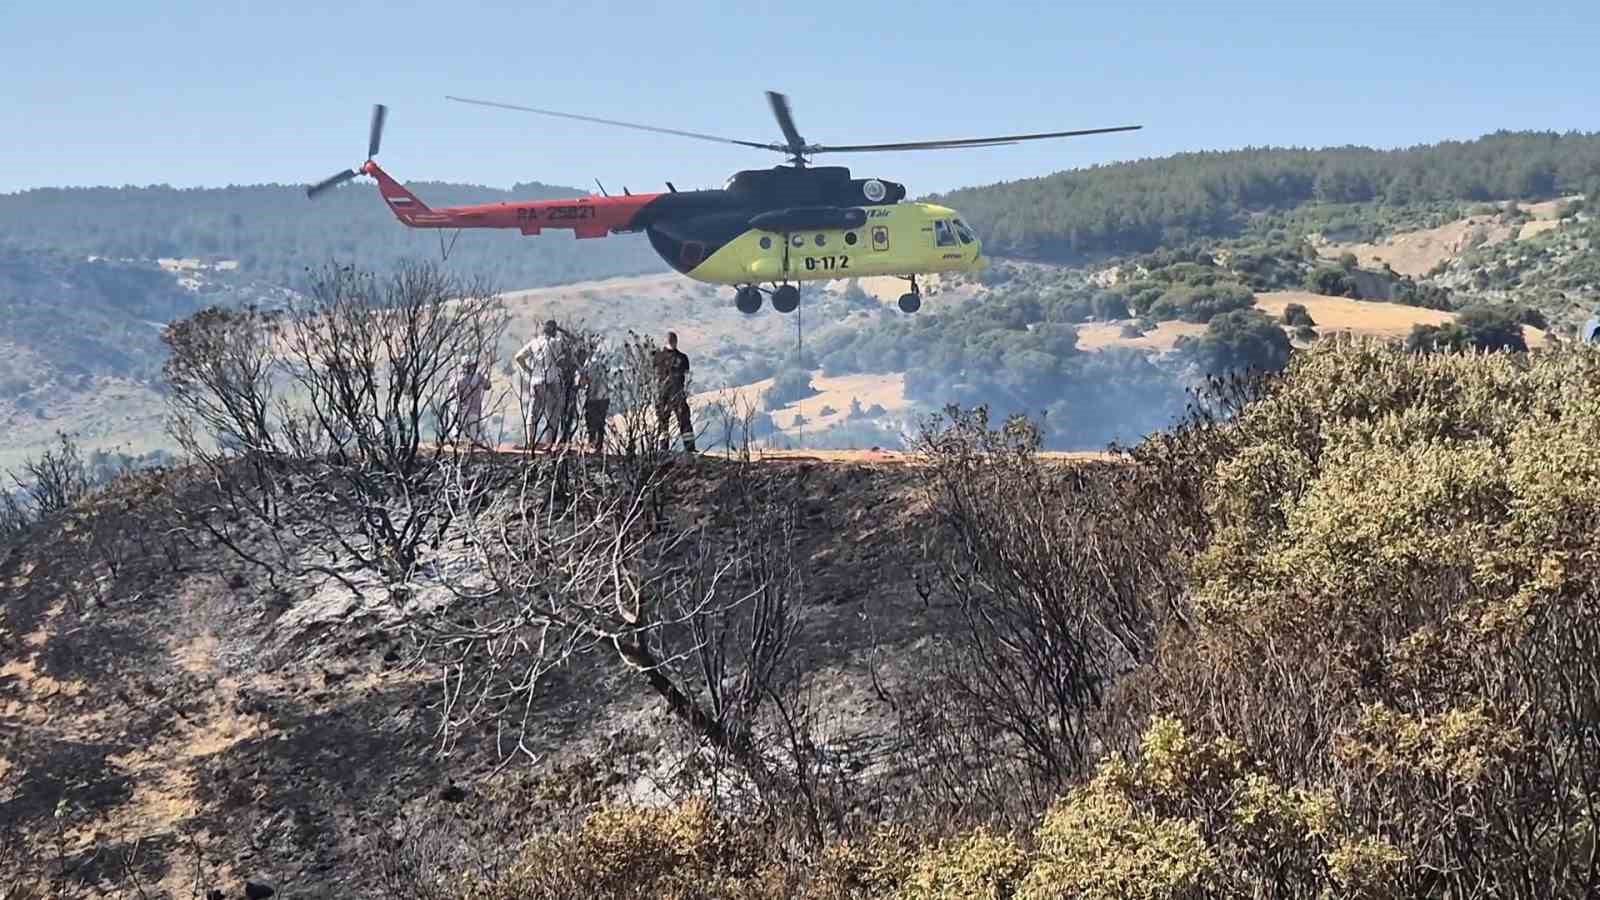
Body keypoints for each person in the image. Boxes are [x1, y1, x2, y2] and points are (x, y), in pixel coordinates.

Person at [514, 320, 566, 447]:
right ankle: (549, 443)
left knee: (532, 413)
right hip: (551, 381)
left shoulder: (535, 343)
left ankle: (530, 442)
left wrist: (529, 370)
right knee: (552, 414)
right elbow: (573, 342)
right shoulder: (556, 343)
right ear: (554, 331)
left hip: (536, 381)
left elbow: (518, 357)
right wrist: (562, 330)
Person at [652, 331, 696, 453]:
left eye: (673, 340)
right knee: (663, 421)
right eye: (670, 340)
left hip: (677, 393)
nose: (672, 343)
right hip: (663, 393)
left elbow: (687, 375)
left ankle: (689, 448)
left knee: (684, 419)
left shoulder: (682, 358)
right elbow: (654, 375)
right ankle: (663, 448)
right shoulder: (658, 356)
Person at [577, 342, 611, 454]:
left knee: (591, 420)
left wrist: (581, 385)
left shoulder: (591, 363)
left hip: (595, 397)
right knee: (599, 422)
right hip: (604, 396)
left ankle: (593, 444)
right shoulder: (601, 361)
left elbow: (588, 380)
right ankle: (598, 445)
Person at [451, 354, 491, 446]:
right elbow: (488, 385)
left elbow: (452, 391)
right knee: (472, 435)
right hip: (472, 410)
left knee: (462, 434)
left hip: (464, 409)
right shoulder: (476, 377)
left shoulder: (458, 378)